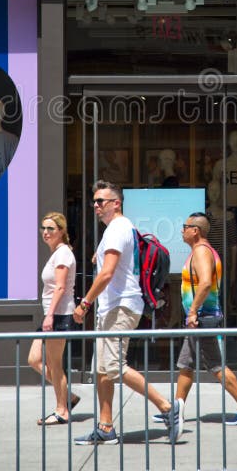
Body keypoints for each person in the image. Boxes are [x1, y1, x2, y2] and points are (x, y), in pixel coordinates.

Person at [72, 180, 182, 445]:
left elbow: (108, 272)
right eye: (94, 202)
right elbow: (110, 265)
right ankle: (106, 426)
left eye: (101, 201)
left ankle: (168, 408)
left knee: (114, 366)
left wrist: (85, 303)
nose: (96, 206)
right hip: (112, 307)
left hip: (120, 306)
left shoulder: (118, 228)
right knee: (101, 369)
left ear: (116, 203)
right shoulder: (119, 229)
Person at [154, 212, 237, 426]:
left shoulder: (201, 252)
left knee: (215, 365)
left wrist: (192, 311)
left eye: (185, 226)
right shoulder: (201, 250)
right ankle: (175, 410)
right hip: (199, 318)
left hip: (202, 318)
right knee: (186, 365)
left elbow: (204, 284)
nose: (182, 230)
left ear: (196, 230)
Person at [27, 212, 80, 425]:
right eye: (44, 228)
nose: (46, 232)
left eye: (51, 229)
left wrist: (49, 316)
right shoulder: (56, 253)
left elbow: (60, 286)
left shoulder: (63, 253)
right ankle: (68, 397)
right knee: (34, 359)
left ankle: (62, 410)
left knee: (55, 364)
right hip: (52, 315)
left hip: (58, 315)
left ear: (61, 231)